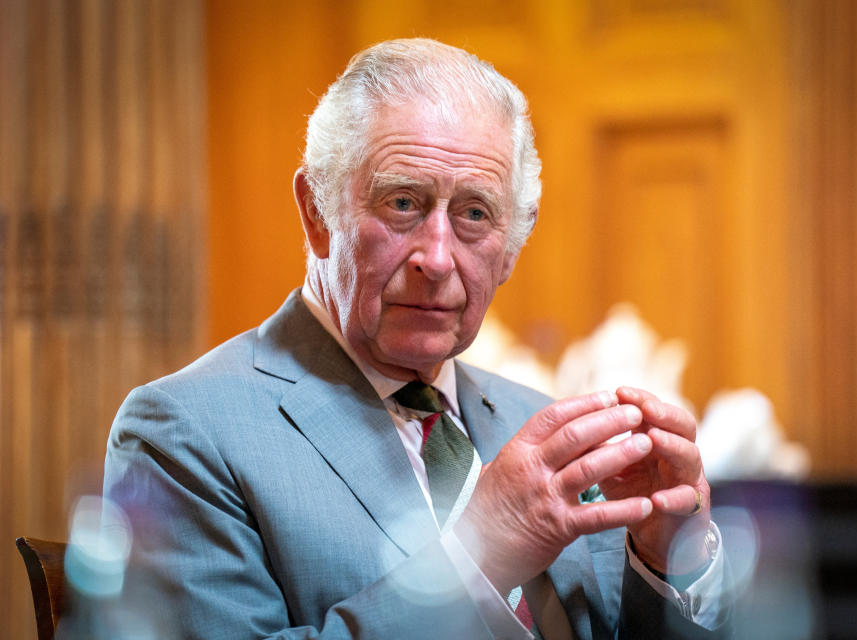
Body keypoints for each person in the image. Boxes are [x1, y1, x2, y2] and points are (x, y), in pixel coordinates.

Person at [104, 38, 730, 639]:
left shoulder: (541, 426)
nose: (436, 256)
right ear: (317, 213)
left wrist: (670, 561)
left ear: (513, 246)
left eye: (474, 214)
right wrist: (475, 557)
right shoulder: (183, 433)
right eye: (403, 202)